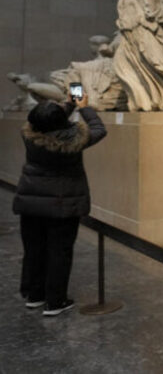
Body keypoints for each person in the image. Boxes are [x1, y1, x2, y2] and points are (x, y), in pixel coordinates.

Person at [13, 92, 107, 316]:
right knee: (59, 252)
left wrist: (68, 105)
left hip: (32, 202)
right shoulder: (74, 140)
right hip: (62, 203)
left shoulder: (29, 135)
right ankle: (55, 301)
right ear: (61, 121)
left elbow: (48, 122)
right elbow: (98, 129)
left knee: (34, 249)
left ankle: (35, 295)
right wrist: (83, 107)